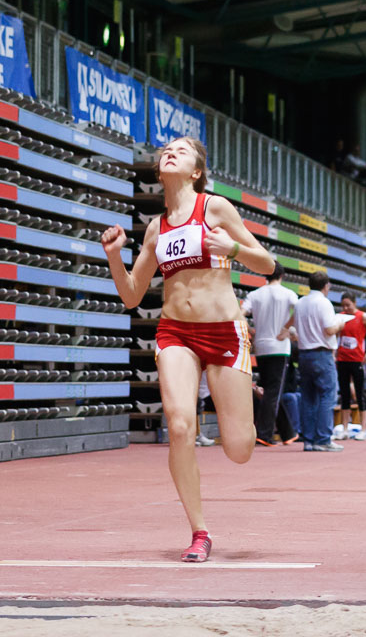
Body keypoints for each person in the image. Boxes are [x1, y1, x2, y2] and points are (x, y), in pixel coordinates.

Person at [100, 136, 275, 563]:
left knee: (239, 448)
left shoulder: (214, 208)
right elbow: (131, 295)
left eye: (181, 149)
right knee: (180, 427)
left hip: (224, 332)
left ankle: (245, 413)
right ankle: (199, 532)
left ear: (196, 170)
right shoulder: (157, 228)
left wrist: (231, 248)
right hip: (175, 332)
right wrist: (112, 257)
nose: (169, 152)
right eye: (165, 151)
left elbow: (268, 265)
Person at [241, 263, 299, 446]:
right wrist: (287, 328)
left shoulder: (254, 294)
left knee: (271, 390)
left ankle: (288, 433)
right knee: (273, 391)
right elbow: (299, 311)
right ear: (282, 275)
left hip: (261, 346)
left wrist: (251, 330)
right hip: (279, 346)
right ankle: (263, 434)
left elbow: (239, 313)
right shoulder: (288, 293)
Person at [295, 271, 347, 452]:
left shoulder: (300, 302)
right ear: (327, 286)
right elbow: (330, 330)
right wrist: (340, 323)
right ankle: (323, 438)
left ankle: (308, 440)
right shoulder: (324, 303)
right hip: (322, 354)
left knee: (308, 397)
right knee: (327, 396)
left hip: (304, 354)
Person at [334, 292, 366, 440]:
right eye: (343, 305)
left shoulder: (363, 317)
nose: (346, 308)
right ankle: (345, 429)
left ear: (355, 303)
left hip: (357, 360)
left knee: (360, 394)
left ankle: (364, 429)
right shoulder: (340, 316)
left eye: (348, 305)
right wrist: (334, 353)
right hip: (342, 359)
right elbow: (335, 335)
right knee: (345, 395)